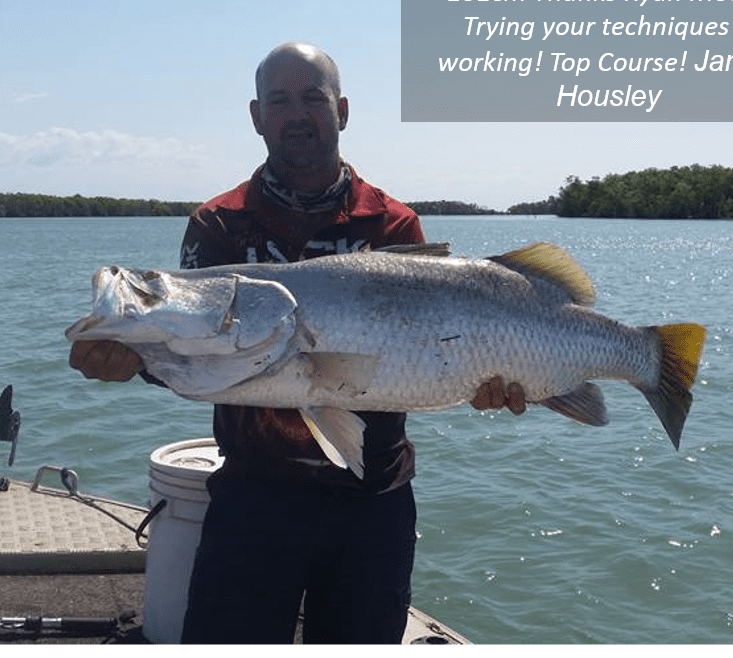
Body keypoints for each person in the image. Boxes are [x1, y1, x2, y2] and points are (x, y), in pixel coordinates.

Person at [69, 42, 525, 644]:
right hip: (252, 495)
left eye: (313, 97)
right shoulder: (218, 223)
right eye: (279, 101)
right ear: (257, 116)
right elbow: (198, 346)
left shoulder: (391, 224)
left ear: (342, 110)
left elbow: (438, 351)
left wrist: (485, 382)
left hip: (373, 501)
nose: (297, 113)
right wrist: (135, 358)